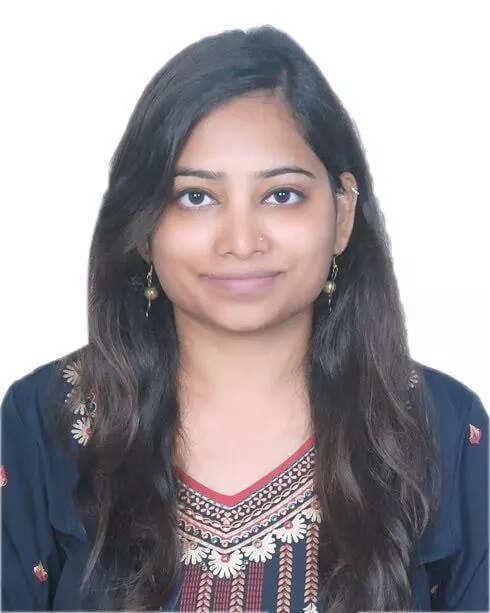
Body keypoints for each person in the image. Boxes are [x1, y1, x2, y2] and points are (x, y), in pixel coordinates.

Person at [1, 24, 488, 612]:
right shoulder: (45, 423)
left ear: (342, 213)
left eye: (281, 195)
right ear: (143, 228)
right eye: (196, 197)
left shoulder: (439, 428)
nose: (240, 241)